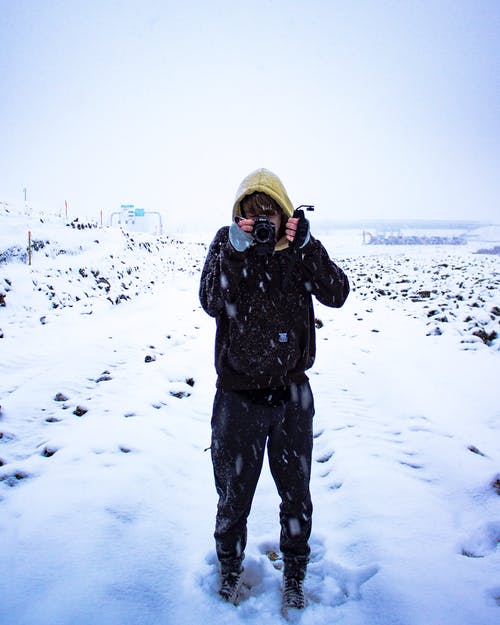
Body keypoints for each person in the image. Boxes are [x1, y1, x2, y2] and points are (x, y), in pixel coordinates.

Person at [199, 168, 350, 610]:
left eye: (270, 211)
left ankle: (295, 575)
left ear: (285, 212)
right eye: (252, 213)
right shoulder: (228, 243)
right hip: (237, 398)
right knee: (233, 496)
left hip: (290, 398)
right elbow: (210, 301)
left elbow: (338, 292)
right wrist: (234, 251)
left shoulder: (299, 249)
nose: (262, 221)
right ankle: (229, 570)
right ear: (239, 215)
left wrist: (309, 246)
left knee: (296, 495)